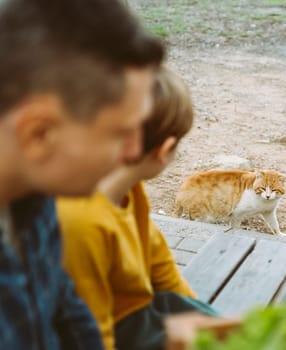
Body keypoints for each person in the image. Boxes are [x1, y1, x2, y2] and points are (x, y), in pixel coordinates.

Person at [0, 0, 165, 348]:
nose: (136, 152)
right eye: (121, 132)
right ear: (39, 133)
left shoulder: (37, 197)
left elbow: (66, 308)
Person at [57, 67, 217, 350]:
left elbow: (158, 260)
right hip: (115, 331)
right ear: (164, 148)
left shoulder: (128, 185)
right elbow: (89, 332)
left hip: (142, 310)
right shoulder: (80, 221)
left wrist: (199, 319)